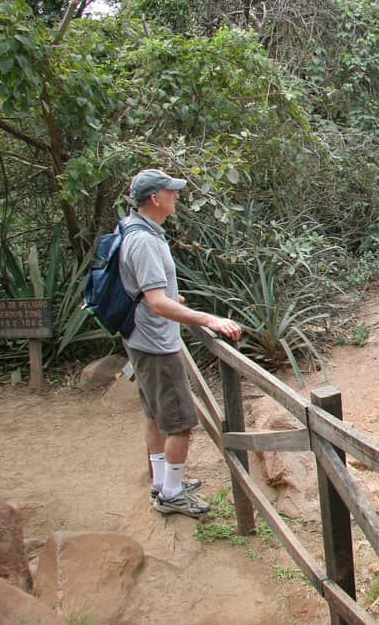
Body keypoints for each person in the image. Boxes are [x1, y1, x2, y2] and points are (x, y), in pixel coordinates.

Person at [120, 168, 243, 517]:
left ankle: (162, 483)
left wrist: (174, 299)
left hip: (141, 338)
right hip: (156, 343)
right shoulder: (144, 240)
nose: (177, 196)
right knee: (179, 421)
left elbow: (150, 293)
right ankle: (172, 494)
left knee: (155, 416)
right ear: (155, 199)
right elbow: (156, 302)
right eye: (171, 192)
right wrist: (209, 319)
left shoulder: (136, 229)